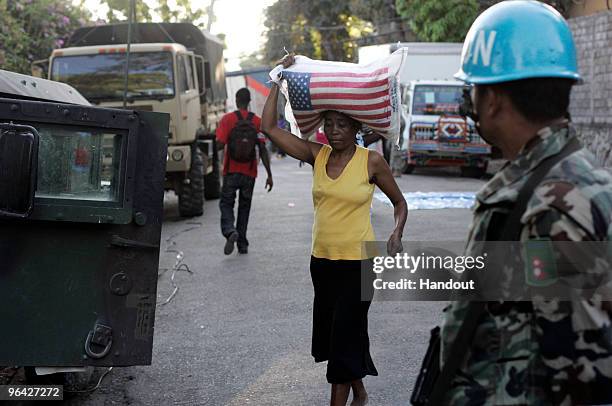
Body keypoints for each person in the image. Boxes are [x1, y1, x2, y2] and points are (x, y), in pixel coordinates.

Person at [435, 1, 612, 405]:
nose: (472, 104)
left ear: (493, 99)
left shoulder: (551, 206)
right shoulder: (565, 178)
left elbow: (579, 374)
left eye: (474, 90)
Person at [262, 55, 408, 406]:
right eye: (329, 124)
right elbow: (269, 128)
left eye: (342, 124)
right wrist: (276, 80)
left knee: (344, 335)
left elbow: (400, 203)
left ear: (356, 128)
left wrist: (396, 233)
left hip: (359, 265)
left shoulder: (372, 161)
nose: (335, 130)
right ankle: (360, 392)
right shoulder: (318, 155)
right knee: (336, 337)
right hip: (322, 262)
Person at [216, 88, 273, 255]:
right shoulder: (257, 121)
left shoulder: (227, 120)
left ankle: (229, 231)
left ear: (236, 100)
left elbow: (219, 144)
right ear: (249, 102)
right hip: (249, 172)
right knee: (244, 207)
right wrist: (269, 175)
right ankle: (242, 244)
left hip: (231, 171)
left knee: (226, 203)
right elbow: (262, 149)